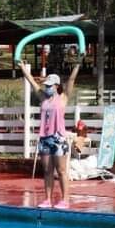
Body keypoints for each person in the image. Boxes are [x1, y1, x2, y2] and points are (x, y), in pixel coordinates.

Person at [20, 53, 81, 208]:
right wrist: (22, 68)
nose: (46, 87)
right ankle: (47, 199)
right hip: (45, 138)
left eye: (49, 85)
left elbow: (71, 81)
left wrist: (77, 65)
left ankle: (65, 199)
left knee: (61, 171)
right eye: (46, 85)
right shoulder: (43, 98)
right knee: (47, 171)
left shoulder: (63, 97)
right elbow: (32, 82)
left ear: (56, 86)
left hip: (58, 138)